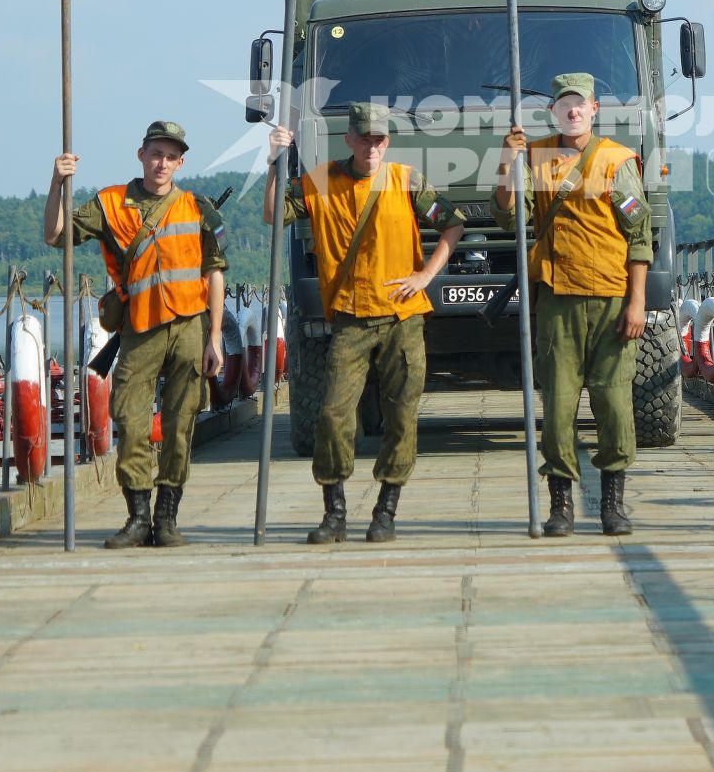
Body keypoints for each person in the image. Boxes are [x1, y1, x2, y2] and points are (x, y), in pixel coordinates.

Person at [263, 102, 467, 544]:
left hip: (401, 316)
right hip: (351, 318)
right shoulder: (319, 182)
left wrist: (426, 276)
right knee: (334, 415)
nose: (372, 146)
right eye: (364, 138)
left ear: (386, 142)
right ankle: (334, 511)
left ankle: (385, 510)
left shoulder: (406, 180)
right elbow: (274, 214)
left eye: (379, 139)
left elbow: (452, 225)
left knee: (401, 415)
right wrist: (274, 162)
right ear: (349, 140)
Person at [44, 120, 226, 549]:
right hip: (139, 329)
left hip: (189, 328)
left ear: (181, 163)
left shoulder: (200, 209)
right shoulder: (109, 204)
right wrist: (57, 183)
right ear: (141, 155)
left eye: (170, 155)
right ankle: (138, 517)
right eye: (155, 153)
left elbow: (215, 273)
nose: (162, 162)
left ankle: (166, 519)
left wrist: (215, 337)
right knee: (129, 420)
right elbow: (55, 235)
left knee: (181, 427)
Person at [496, 72, 652, 537]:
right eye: (564, 103)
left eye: (580, 103)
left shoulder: (615, 161)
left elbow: (638, 234)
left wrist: (637, 301)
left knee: (613, 404)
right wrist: (507, 160)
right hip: (558, 300)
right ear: (554, 111)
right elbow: (508, 215)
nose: (573, 110)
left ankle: (612, 503)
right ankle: (561, 504)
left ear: (594, 109)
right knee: (559, 406)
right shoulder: (535, 155)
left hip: (610, 297)